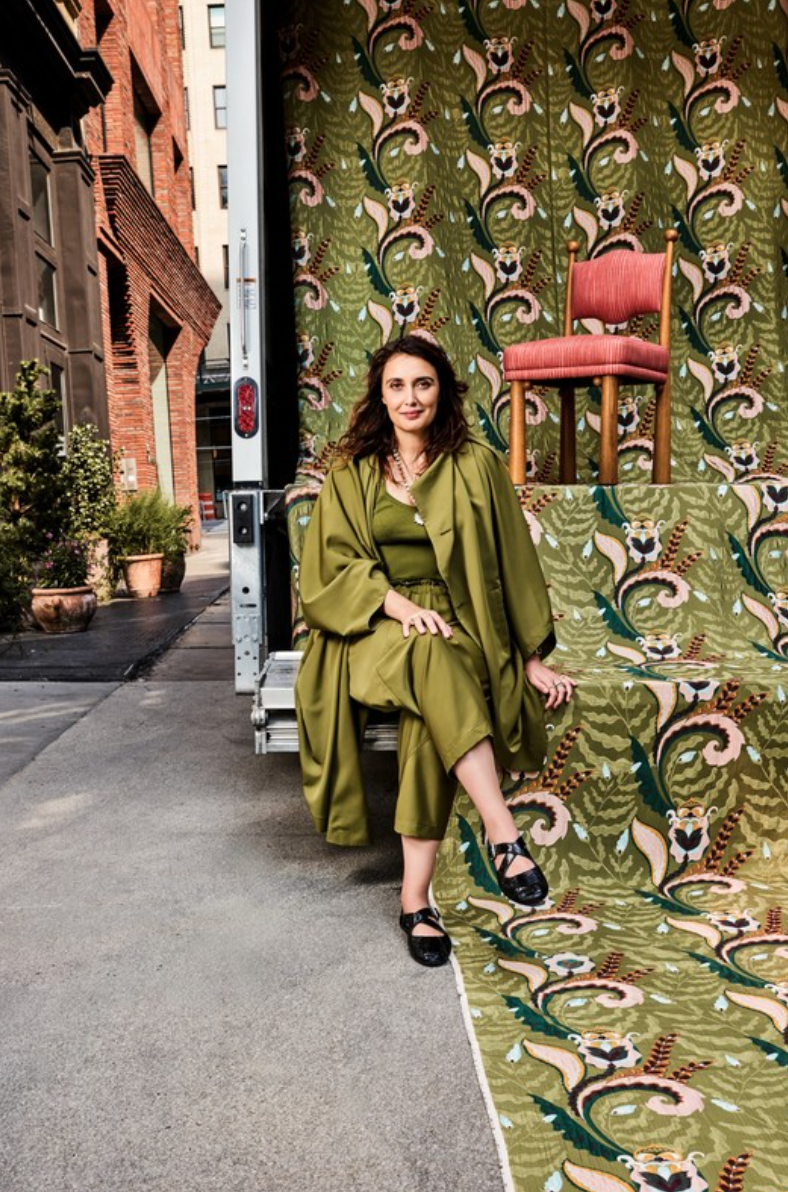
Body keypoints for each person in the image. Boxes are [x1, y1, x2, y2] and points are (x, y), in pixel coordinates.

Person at [295, 336, 577, 968]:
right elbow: (327, 572)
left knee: (430, 710)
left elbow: (514, 560)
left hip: (462, 624)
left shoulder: (476, 464)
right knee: (427, 654)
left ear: (441, 390)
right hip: (371, 629)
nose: (410, 397)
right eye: (396, 385)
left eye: (422, 383)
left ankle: (414, 900)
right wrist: (397, 605)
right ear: (379, 396)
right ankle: (504, 832)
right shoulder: (351, 472)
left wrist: (531, 656)